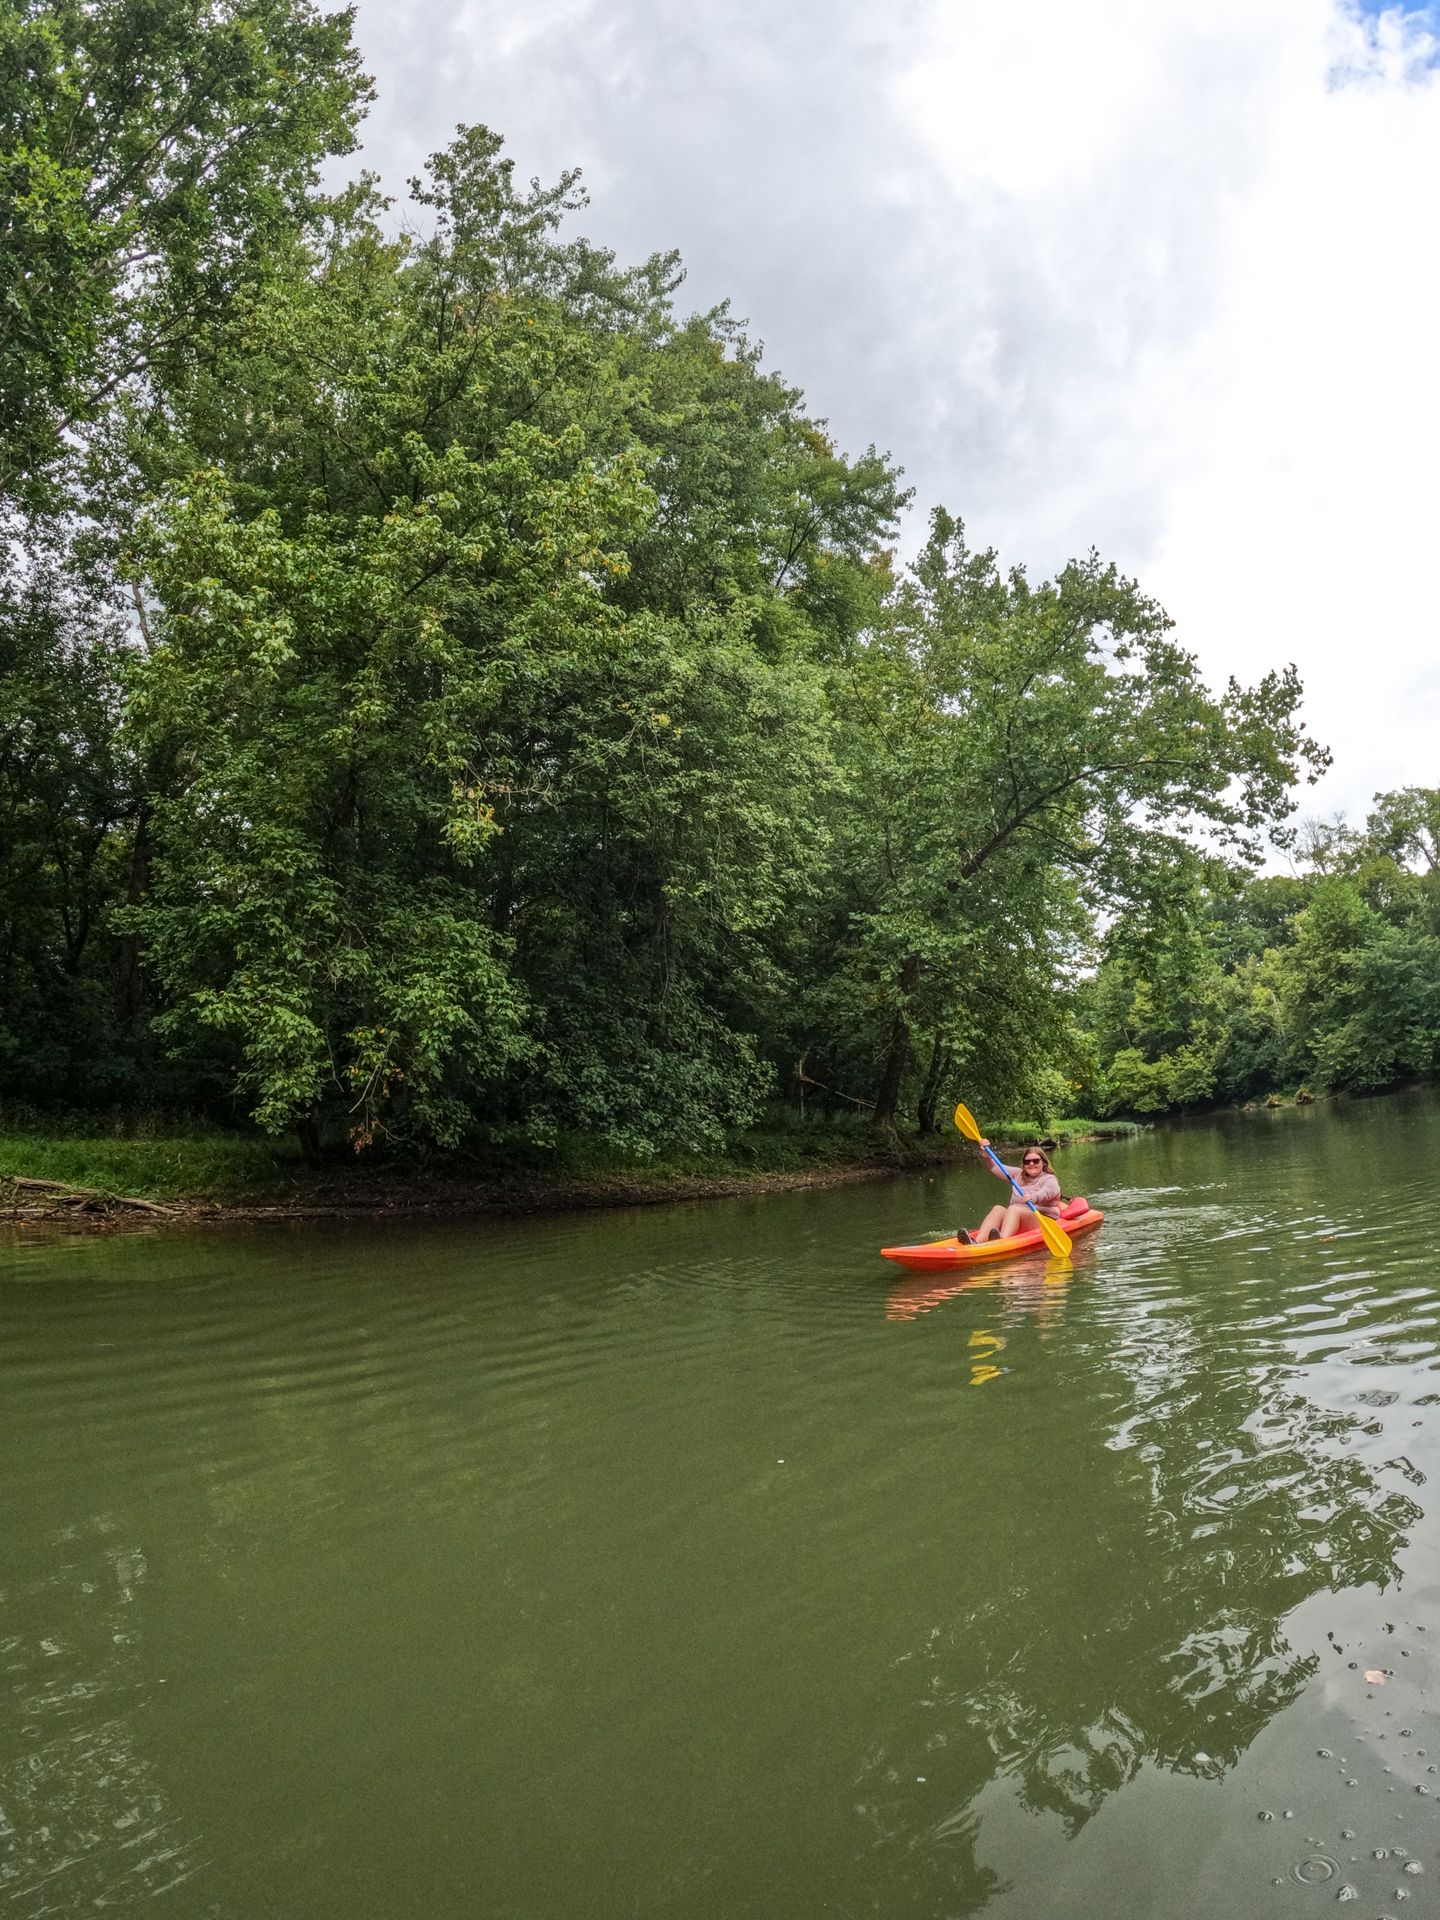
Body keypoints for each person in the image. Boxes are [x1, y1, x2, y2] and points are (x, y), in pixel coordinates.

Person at [957, 1143, 1063, 1244]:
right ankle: (976, 1242)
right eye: (1027, 1161)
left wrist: (1034, 1197)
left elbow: (1050, 1191)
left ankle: (1002, 1240)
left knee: (1014, 1209)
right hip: (1018, 1217)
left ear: (1043, 1162)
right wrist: (986, 1156)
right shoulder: (1018, 1174)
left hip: (1044, 1220)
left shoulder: (1049, 1179)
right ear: (1024, 1164)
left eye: (1035, 1161)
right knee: (998, 1209)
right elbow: (994, 1167)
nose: (1031, 1164)